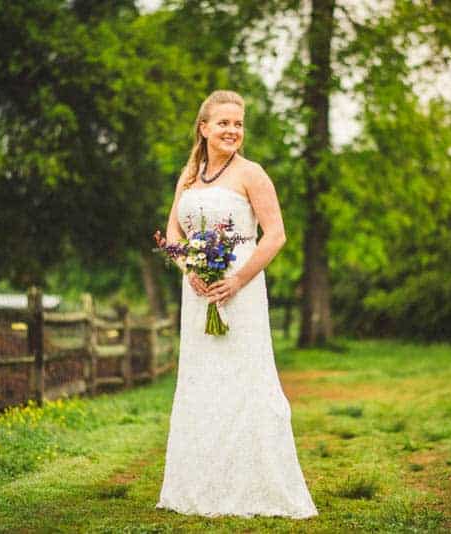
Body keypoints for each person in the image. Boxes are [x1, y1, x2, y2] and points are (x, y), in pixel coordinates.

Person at [154, 90, 318, 519]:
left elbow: (276, 234)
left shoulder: (252, 174)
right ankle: (200, 487)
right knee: (202, 381)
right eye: (224, 123)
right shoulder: (189, 176)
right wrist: (189, 266)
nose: (232, 131)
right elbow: (173, 230)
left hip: (240, 290)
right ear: (204, 128)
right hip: (198, 294)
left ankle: (254, 486)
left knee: (244, 379)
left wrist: (237, 280)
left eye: (238, 124)